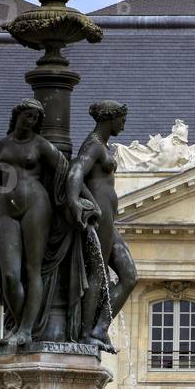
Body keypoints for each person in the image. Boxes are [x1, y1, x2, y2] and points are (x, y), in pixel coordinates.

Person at [0, 98, 76, 349]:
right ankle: (17, 323)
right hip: (6, 211)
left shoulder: (42, 146)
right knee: (11, 273)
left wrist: (79, 201)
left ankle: (25, 330)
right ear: (17, 116)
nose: (31, 120)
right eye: (28, 115)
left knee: (33, 269)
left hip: (36, 206)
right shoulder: (2, 146)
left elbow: (67, 173)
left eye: (36, 117)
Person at [66, 101, 138, 351]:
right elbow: (75, 171)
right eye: (122, 119)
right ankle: (87, 332)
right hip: (101, 220)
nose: (124, 124)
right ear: (111, 118)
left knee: (129, 276)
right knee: (98, 273)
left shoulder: (101, 145)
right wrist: (76, 201)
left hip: (107, 217)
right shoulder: (93, 145)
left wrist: (88, 198)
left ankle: (100, 327)